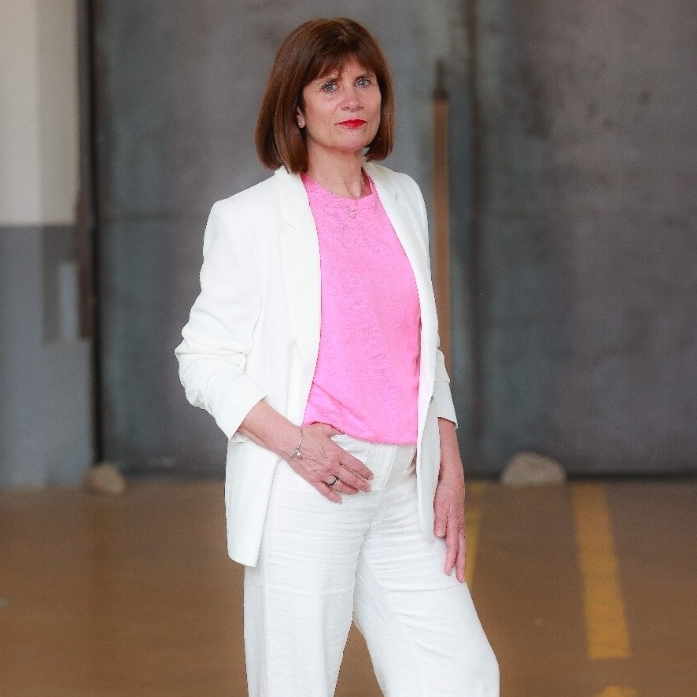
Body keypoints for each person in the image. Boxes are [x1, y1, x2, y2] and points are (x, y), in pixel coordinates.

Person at [175, 17, 498, 697]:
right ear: (296, 107)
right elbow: (201, 359)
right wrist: (295, 444)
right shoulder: (249, 218)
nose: (352, 99)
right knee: (296, 684)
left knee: (460, 675)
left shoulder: (402, 196)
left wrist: (448, 457)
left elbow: (422, 344)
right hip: (310, 488)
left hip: (404, 488)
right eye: (328, 86)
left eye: (363, 81)